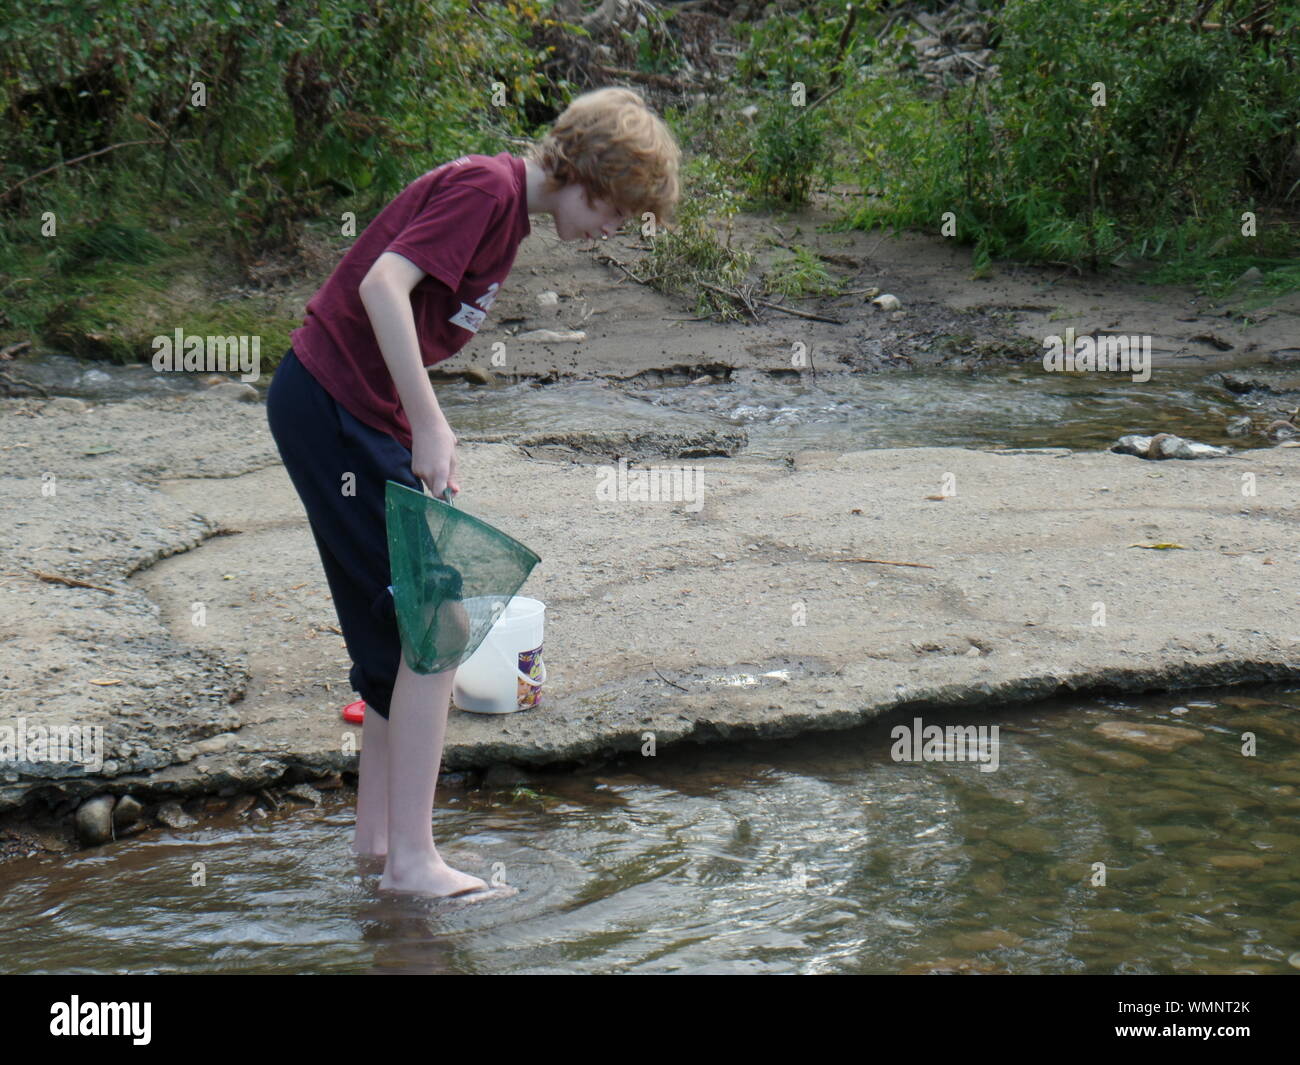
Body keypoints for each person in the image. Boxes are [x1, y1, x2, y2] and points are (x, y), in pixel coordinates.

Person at [265, 87, 680, 898]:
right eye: (618, 214)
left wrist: (420, 434)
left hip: (350, 414)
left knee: (398, 635)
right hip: (330, 407)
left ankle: (378, 848)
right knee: (441, 621)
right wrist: (427, 422)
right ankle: (416, 862)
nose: (610, 234)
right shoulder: (488, 189)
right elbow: (381, 287)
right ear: (591, 179)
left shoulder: (507, 219)